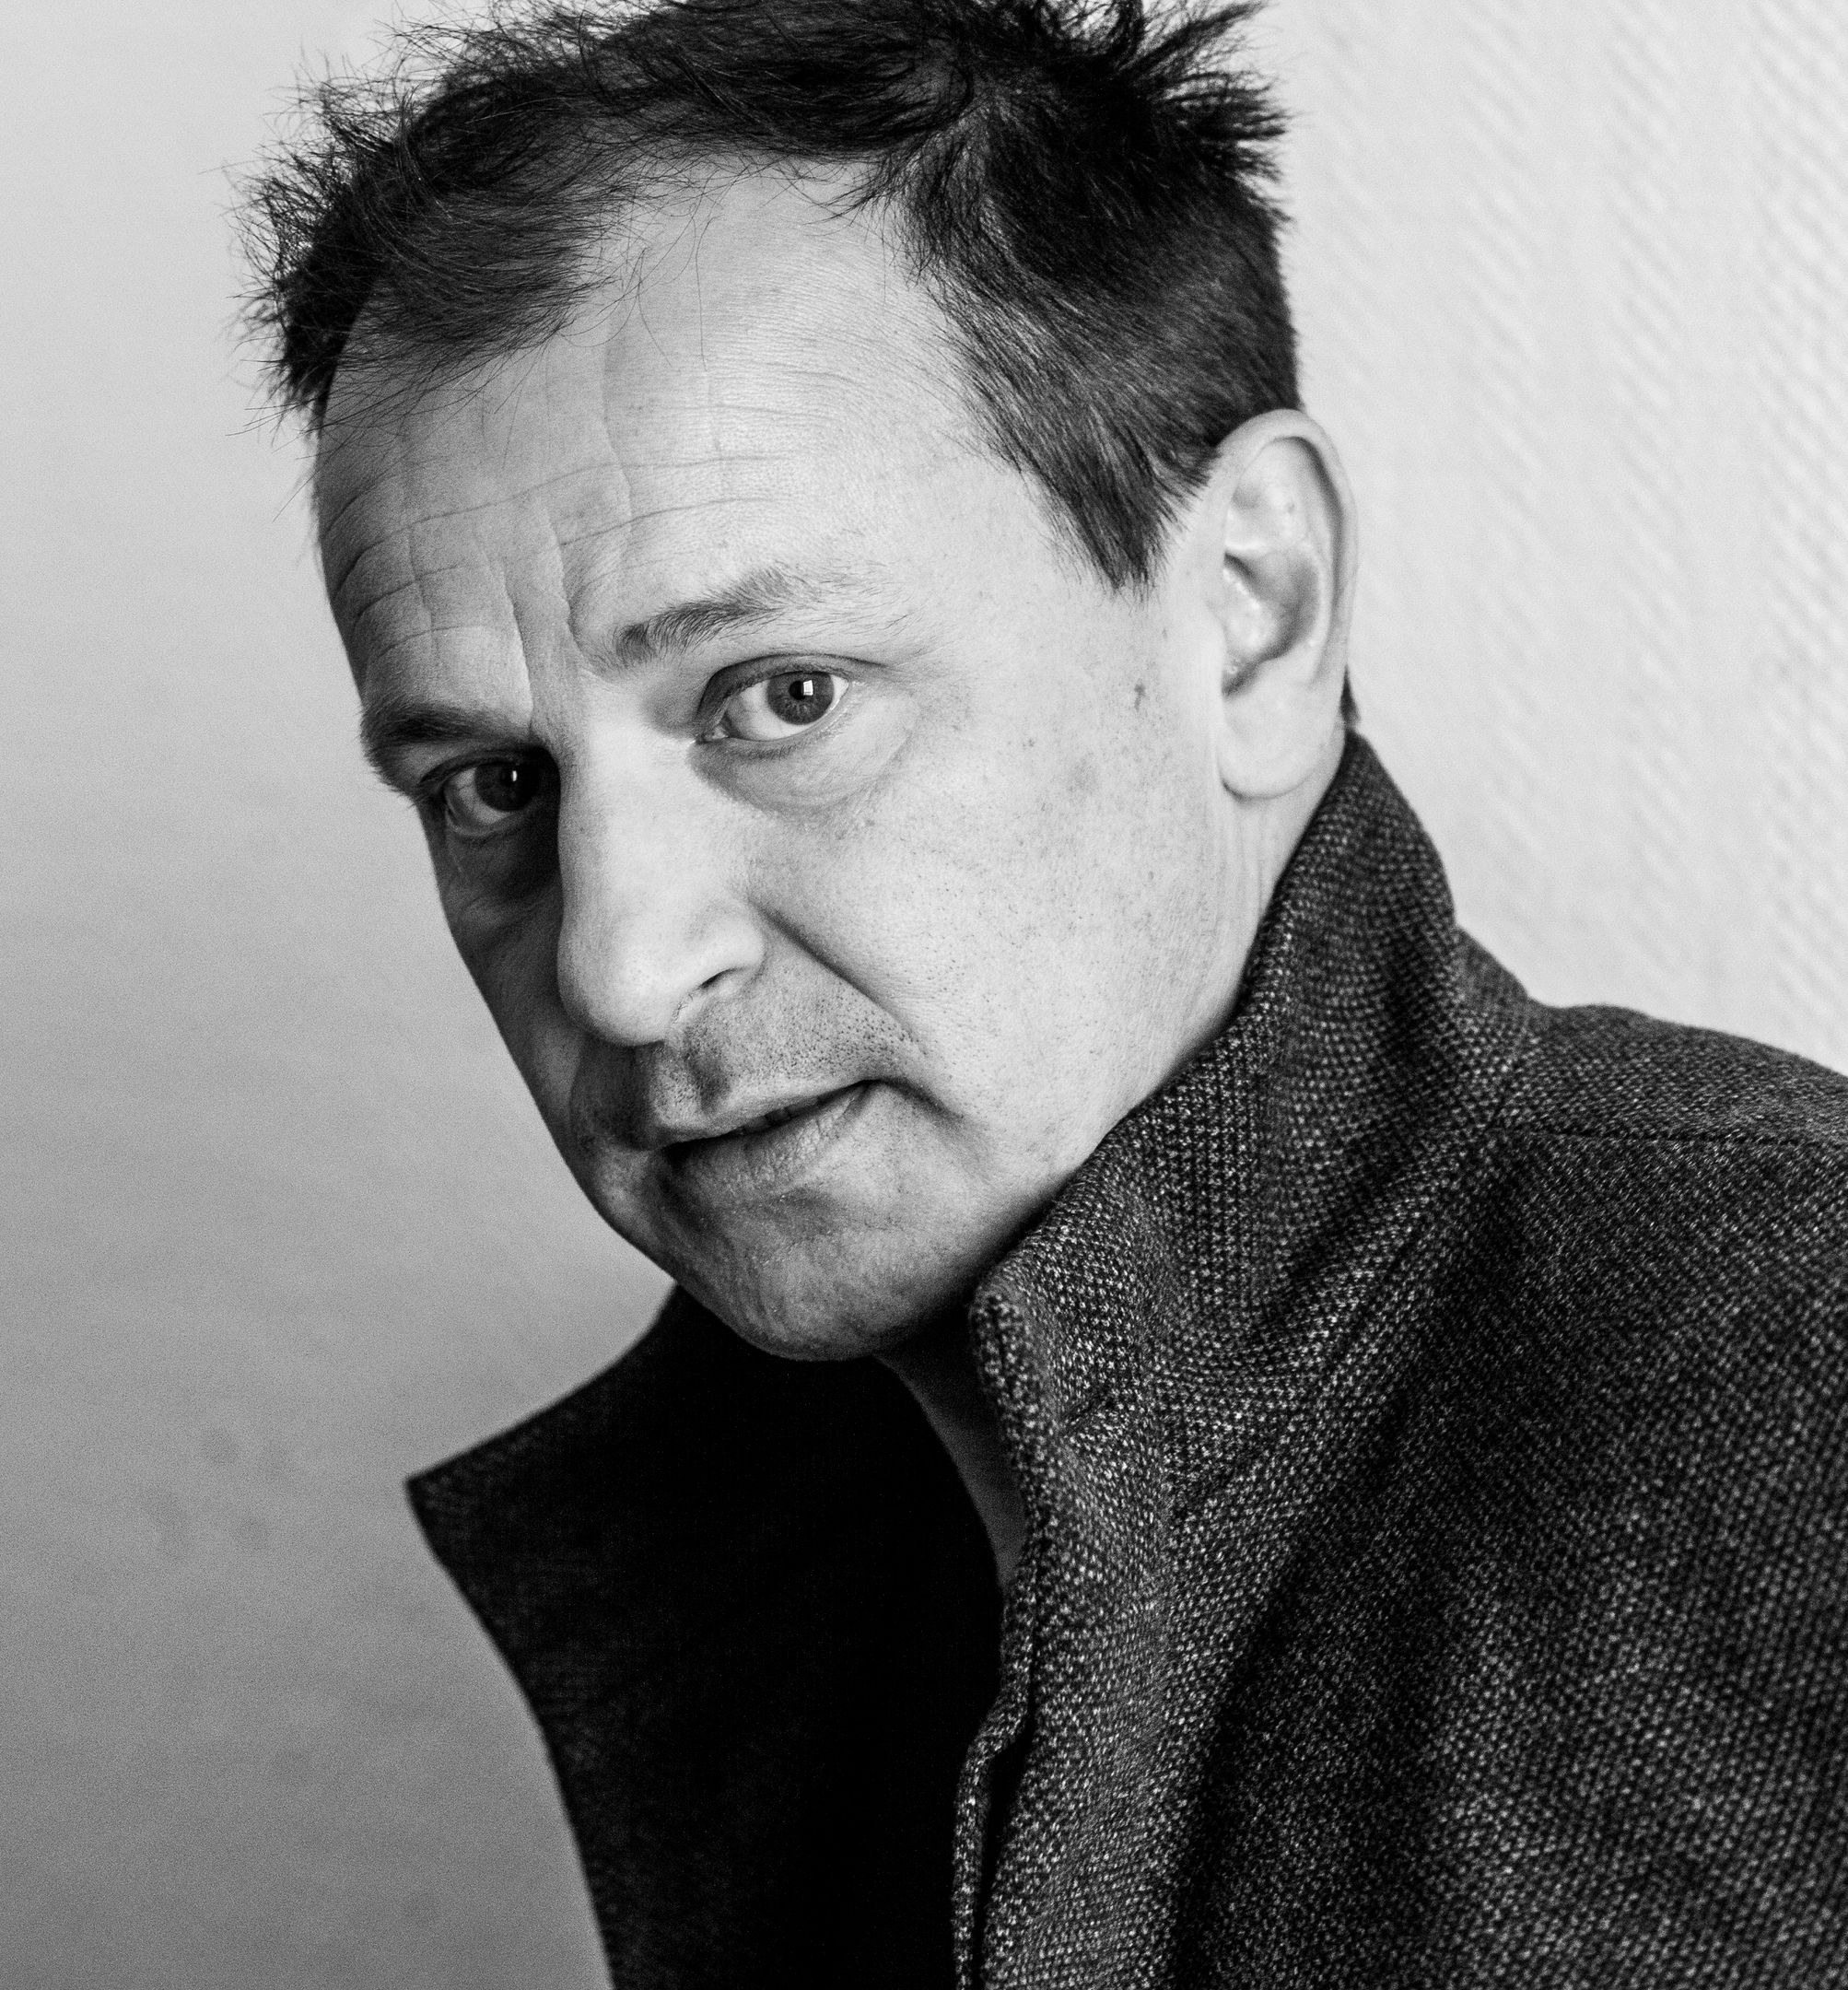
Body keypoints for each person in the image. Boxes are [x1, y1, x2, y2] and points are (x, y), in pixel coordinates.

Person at [238, 0, 1848, 1983]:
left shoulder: (1797, 1379)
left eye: (780, 698)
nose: (623, 970)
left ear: (1250, 613)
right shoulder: (777, 1566)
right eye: (491, 787)